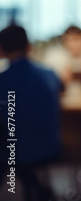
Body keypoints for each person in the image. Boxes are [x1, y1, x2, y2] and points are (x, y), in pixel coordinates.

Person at [0, 24, 61, 200]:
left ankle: (36, 188)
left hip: (15, 152)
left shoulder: (3, 80)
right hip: (51, 147)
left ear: (2, 48)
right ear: (28, 46)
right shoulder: (49, 74)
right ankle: (37, 189)